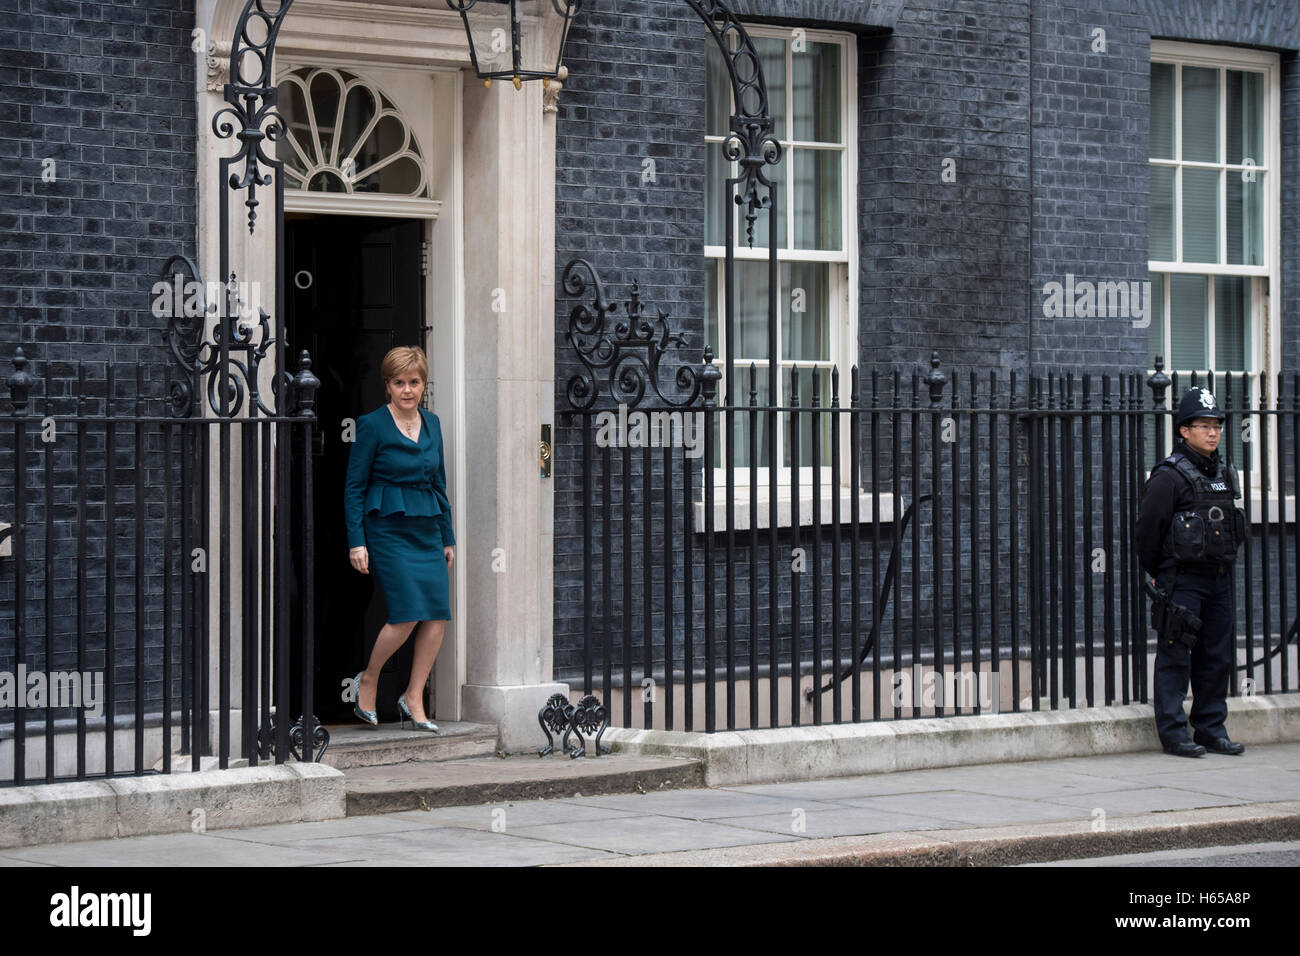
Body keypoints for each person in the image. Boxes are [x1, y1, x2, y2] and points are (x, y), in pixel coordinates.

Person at [343, 346, 454, 732]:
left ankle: (413, 695)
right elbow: (354, 487)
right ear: (387, 385)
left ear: (423, 384)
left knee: (437, 615)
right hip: (387, 529)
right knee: (406, 614)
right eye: (399, 383)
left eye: (414, 382)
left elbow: (438, 482)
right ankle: (369, 679)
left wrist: (448, 536)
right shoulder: (371, 424)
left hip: (427, 528)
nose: (407, 390)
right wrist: (357, 542)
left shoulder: (434, 423)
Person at [1136, 386, 1245, 758]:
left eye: (1216, 425)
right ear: (1184, 430)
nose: (1213, 432)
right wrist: (1163, 575)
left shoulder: (1224, 473)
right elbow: (1148, 531)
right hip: (1182, 581)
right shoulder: (1168, 476)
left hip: (1219, 579)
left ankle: (1210, 728)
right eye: (1203, 425)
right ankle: (1174, 733)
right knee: (1175, 655)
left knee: (1216, 657)